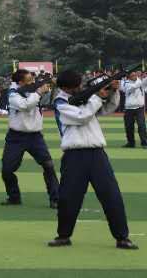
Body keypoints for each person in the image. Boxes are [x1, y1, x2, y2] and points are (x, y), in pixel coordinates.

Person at [48, 71, 138, 249]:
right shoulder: (60, 103)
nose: (80, 87)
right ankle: (63, 235)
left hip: (97, 153)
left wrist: (112, 92)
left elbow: (108, 108)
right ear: (67, 88)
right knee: (69, 198)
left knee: (111, 196)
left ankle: (122, 237)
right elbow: (82, 117)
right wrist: (97, 96)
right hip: (74, 155)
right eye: (77, 86)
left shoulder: (84, 99)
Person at [0, 69, 59, 208]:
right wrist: (38, 92)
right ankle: (14, 197)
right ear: (20, 82)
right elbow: (25, 106)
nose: (33, 82)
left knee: (48, 165)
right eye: (29, 80)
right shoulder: (12, 93)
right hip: (16, 136)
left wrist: (51, 86)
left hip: (35, 135)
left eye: (33, 79)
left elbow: (46, 101)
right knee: (7, 170)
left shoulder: (34, 89)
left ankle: (56, 198)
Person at [121, 70, 147, 148]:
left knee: (141, 125)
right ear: (129, 77)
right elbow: (132, 88)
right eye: (132, 75)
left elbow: (145, 81)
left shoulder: (141, 82)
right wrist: (140, 81)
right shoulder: (126, 83)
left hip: (139, 108)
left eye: (135, 75)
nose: (134, 76)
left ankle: (144, 142)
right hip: (129, 108)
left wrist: (142, 80)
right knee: (129, 126)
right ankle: (131, 143)